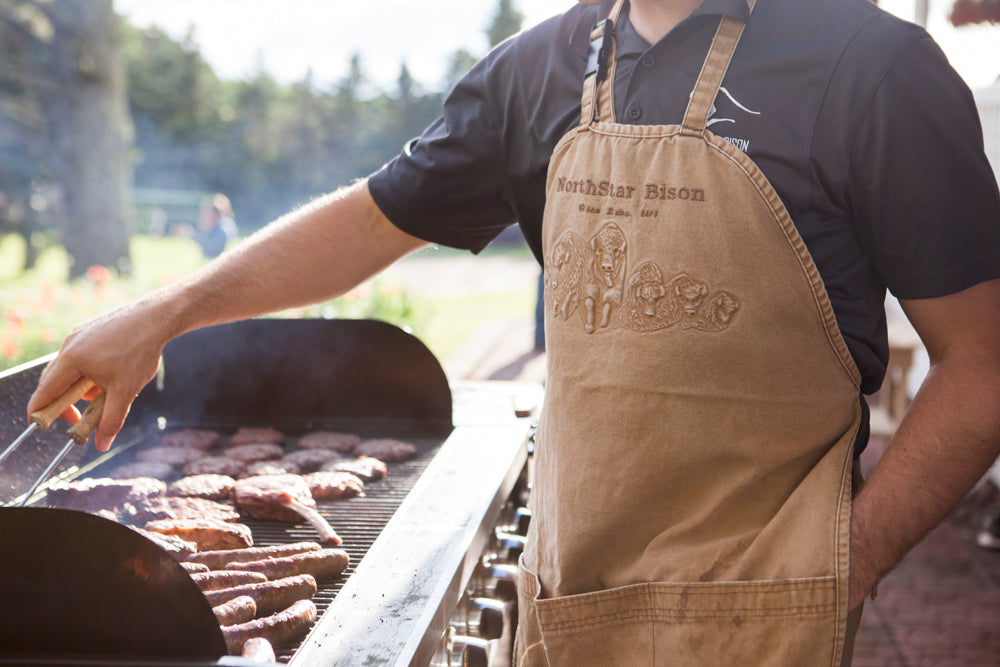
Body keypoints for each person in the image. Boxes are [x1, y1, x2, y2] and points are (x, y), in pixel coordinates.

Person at [28, 0, 1000, 664]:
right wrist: (166, 311)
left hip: (767, 608)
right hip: (567, 600)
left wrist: (844, 564)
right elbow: (372, 220)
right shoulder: (537, 72)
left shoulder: (874, 68)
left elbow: (984, 366)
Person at [187, 193, 238, 258]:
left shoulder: (224, 228)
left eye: (208, 212)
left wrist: (192, 235)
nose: (206, 216)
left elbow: (212, 251)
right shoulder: (216, 226)